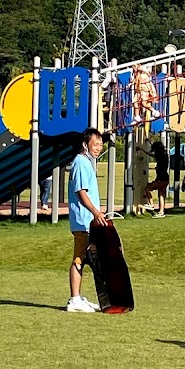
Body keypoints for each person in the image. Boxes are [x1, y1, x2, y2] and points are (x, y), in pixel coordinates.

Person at [66, 128, 108, 313]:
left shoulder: (86, 162)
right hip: (83, 220)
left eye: (100, 144)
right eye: (95, 144)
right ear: (85, 144)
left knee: (87, 258)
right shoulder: (81, 162)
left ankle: (78, 296)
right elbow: (81, 192)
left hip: (88, 221)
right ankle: (74, 299)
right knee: (79, 258)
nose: (98, 147)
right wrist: (96, 212)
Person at [145, 139, 170, 217]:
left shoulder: (159, 156)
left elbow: (151, 154)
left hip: (160, 179)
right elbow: (155, 149)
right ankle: (161, 212)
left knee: (148, 188)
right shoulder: (165, 155)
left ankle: (151, 205)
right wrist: (149, 141)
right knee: (161, 194)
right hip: (166, 178)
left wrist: (142, 149)